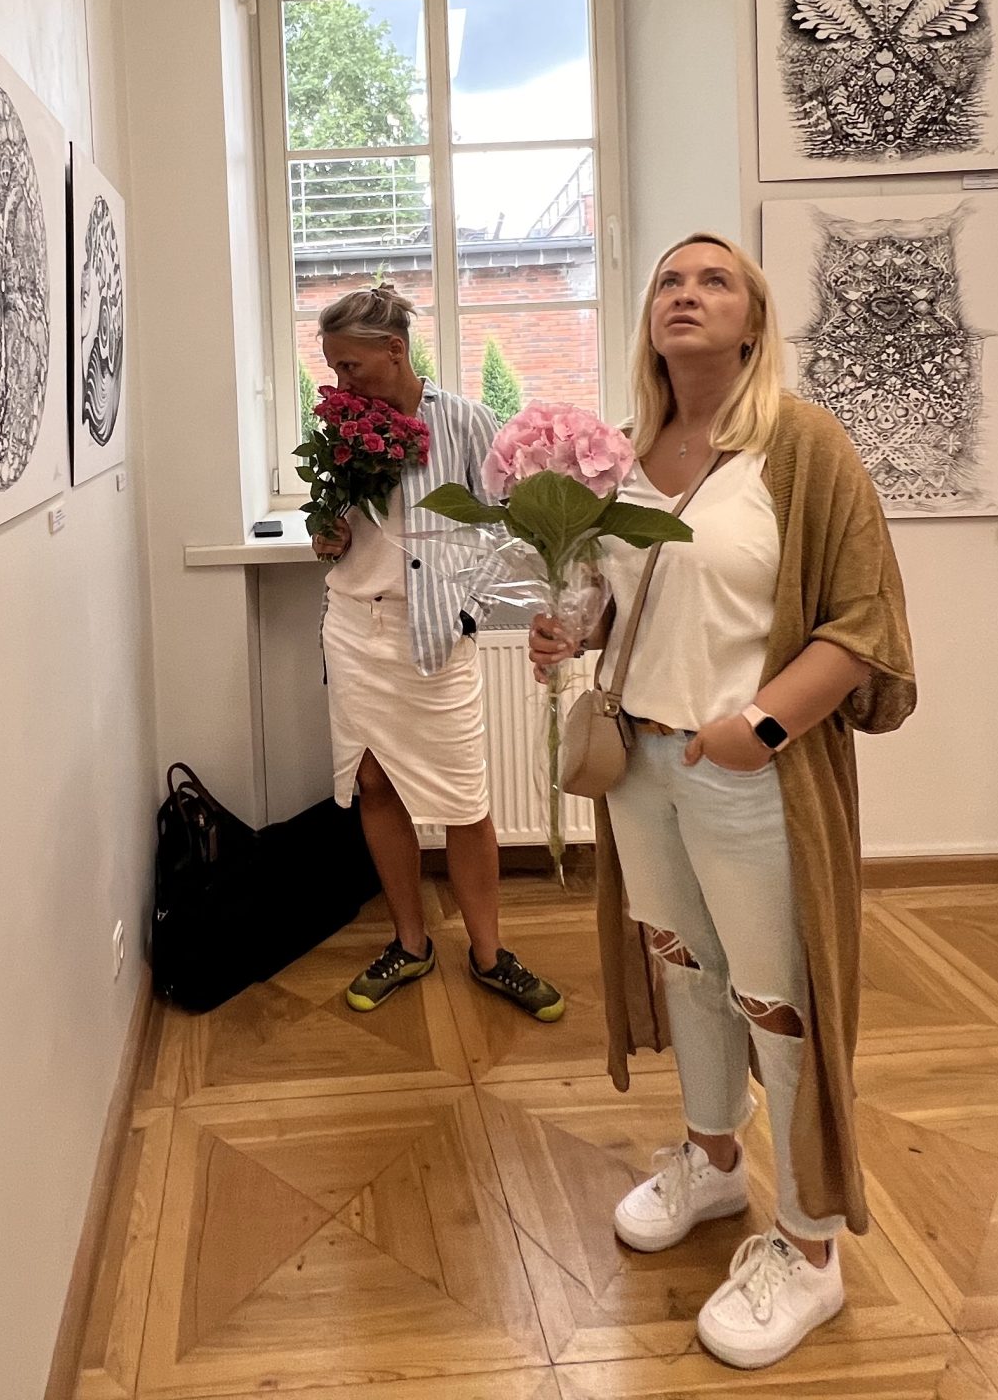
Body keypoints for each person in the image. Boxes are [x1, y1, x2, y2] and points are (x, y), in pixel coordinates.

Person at [528, 233, 913, 1371]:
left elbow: (863, 620)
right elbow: (633, 603)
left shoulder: (800, 445)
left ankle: (810, 1246)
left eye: (714, 280)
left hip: (749, 773)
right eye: (668, 280)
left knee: (776, 997)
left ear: (752, 321)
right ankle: (712, 1161)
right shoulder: (624, 455)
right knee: (685, 968)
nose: (685, 294)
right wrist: (571, 627)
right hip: (641, 766)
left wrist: (762, 727)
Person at [312, 285, 564, 1023]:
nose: (340, 381)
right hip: (355, 629)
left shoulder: (466, 421)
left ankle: (489, 953)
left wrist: (470, 607)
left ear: (395, 350)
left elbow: (510, 521)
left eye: (350, 366)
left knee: (464, 800)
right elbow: (333, 528)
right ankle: (410, 943)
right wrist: (326, 536)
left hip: (436, 635)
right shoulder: (340, 427)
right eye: (333, 368)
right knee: (374, 784)